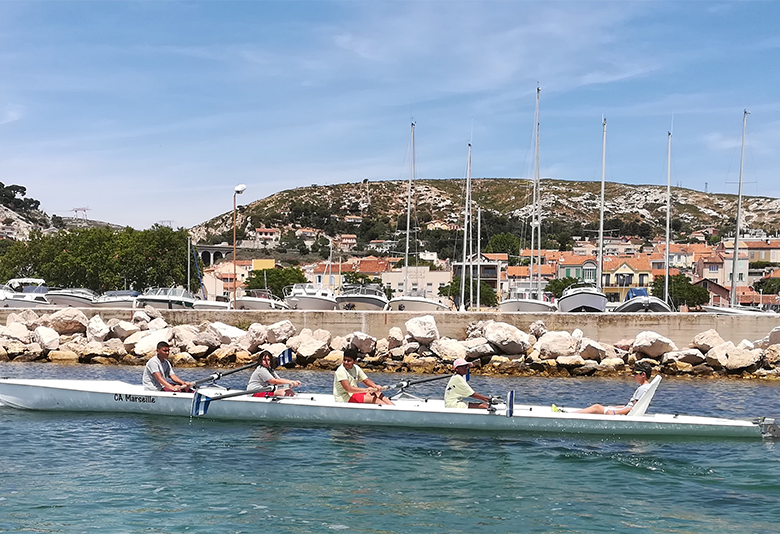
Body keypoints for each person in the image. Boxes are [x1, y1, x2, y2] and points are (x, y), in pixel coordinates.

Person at [559, 362, 653, 415]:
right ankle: (572, 414)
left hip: (623, 414)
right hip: (624, 410)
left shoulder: (642, 389)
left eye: (635, 373)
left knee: (596, 407)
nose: (634, 376)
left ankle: (569, 415)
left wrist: (615, 412)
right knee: (598, 407)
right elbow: (631, 406)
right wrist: (619, 407)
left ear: (643, 374)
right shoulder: (647, 387)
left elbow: (633, 408)